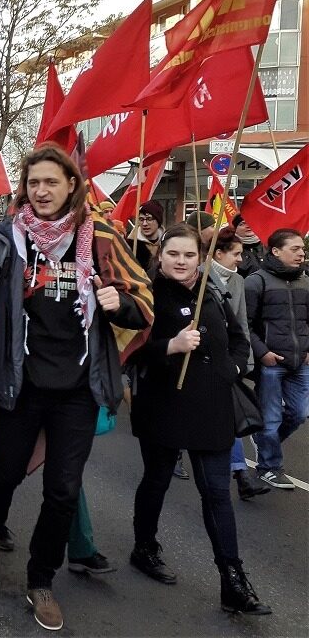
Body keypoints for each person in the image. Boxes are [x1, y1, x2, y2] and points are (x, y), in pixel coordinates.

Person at [0, 144, 152, 631]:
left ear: (72, 185)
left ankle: (40, 579)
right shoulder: (6, 239)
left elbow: (142, 304)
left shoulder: (104, 239)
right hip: (21, 384)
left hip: (79, 389)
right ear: (24, 189)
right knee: (5, 474)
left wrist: (119, 304)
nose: (42, 191)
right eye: (34, 183)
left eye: (52, 182)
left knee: (63, 491)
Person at [129, 224, 270, 615]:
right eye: (174, 254)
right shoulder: (146, 293)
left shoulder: (212, 289)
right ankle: (144, 546)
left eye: (189, 255)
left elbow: (240, 336)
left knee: (216, 494)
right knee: (156, 480)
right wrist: (169, 347)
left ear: (200, 258)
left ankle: (233, 579)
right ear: (161, 255)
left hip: (213, 407)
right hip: (164, 405)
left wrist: (233, 368)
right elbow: (129, 351)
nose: (182, 261)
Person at [206, 227, 270, 501]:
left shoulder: (239, 282)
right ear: (218, 253)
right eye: (235, 254)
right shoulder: (197, 277)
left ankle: (241, 474)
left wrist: (245, 363)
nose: (240, 260)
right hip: (198, 357)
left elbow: (242, 324)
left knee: (227, 414)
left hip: (226, 361)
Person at [246, 228, 309, 490]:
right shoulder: (255, 282)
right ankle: (270, 468)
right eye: (295, 249)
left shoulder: (306, 282)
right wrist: (263, 353)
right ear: (275, 250)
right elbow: (244, 325)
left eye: (302, 250)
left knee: (299, 414)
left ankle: (263, 442)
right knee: (271, 419)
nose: (301, 254)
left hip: (301, 362)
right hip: (272, 363)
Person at [130, 200, 164, 271]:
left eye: (149, 219)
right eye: (141, 219)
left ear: (158, 221)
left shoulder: (167, 243)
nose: (144, 224)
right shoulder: (129, 245)